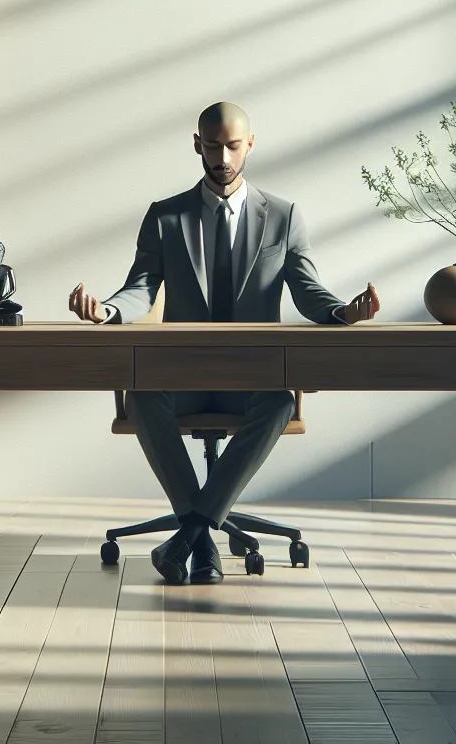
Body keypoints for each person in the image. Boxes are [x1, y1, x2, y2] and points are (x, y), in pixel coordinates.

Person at [69, 101, 379, 585]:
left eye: (233, 145)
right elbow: (141, 288)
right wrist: (106, 311)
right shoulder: (165, 217)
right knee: (143, 397)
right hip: (183, 378)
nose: (223, 157)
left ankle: (190, 535)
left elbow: (308, 289)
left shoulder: (283, 216)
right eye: (212, 146)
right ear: (197, 145)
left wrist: (343, 312)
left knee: (279, 401)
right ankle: (202, 536)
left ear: (250, 144)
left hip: (250, 380)